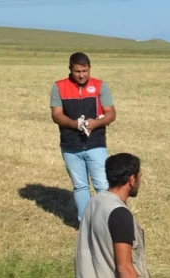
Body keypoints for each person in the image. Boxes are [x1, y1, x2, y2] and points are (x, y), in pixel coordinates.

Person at [51, 52, 117, 223]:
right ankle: (85, 223)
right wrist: (76, 124)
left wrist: (94, 124)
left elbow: (111, 113)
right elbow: (56, 115)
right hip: (70, 146)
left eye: (85, 71)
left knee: (102, 186)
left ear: (90, 69)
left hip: (96, 144)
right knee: (80, 186)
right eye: (77, 71)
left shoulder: (100, 86)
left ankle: (107, 222)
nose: (82, 75)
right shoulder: (59, 87)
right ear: (70, 70)